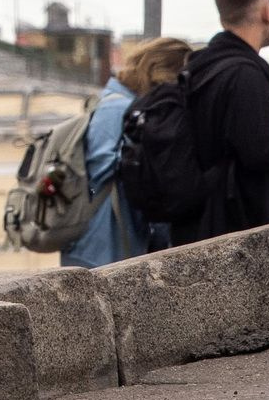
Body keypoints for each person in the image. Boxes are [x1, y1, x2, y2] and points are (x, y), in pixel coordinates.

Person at [171, 0, 269, 246]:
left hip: (196, 229)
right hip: (240, 238)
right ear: (266, 12)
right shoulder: (245, 75)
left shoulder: (197, 68)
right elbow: (259, 154)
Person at [61, 37, 191, 268]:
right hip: (104, 247)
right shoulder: (118, 107)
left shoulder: (118, 103)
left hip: (103, 244)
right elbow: (103, 174)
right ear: (160, 73)